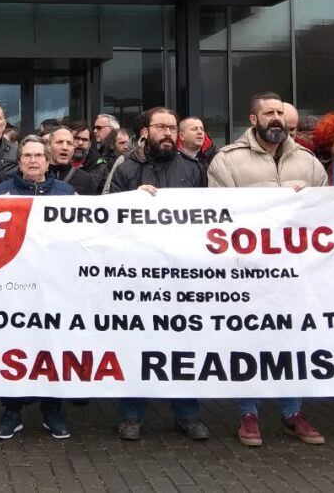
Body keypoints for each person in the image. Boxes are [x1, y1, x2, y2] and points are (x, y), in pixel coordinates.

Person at [207, 92, 327, 447]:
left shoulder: (307, 161)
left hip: (295, 270)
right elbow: (219, 214)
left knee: (291, 339)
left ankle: (292, 411)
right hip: (248, 271)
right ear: (253, 119)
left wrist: (309, 199)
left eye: (280, 112)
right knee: (250, 340)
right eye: (268, 113)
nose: (275, 118)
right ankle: (249, 413)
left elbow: (329, 212)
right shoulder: (226, 161)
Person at [104, 107, 208, 441]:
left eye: (171, 127)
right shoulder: (127, 166)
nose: (167, 132)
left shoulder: (193, 168)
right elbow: (103, 208)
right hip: (136, 273)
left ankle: (187, 414)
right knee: (136, 342)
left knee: (184, 344)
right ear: (145, 131)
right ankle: (132, 415)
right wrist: (129, 200)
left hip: (182, 275)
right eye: (160, 126)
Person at [0, 136, 74, 439]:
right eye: (27, 155)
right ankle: (12, 408)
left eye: (39, 155)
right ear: (20, 160)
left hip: (55, 286)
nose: (33, 160)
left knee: (52, 346)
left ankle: (53, 409)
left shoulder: (67, 194)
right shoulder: (2, 192)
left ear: (48, 161)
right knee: (14, 346)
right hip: (15, 286)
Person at [46, 127, 97, 195]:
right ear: (49, 146)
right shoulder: (37, 176)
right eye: (59, 142)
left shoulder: (86, 179)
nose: (65, 147)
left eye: (69, 143)